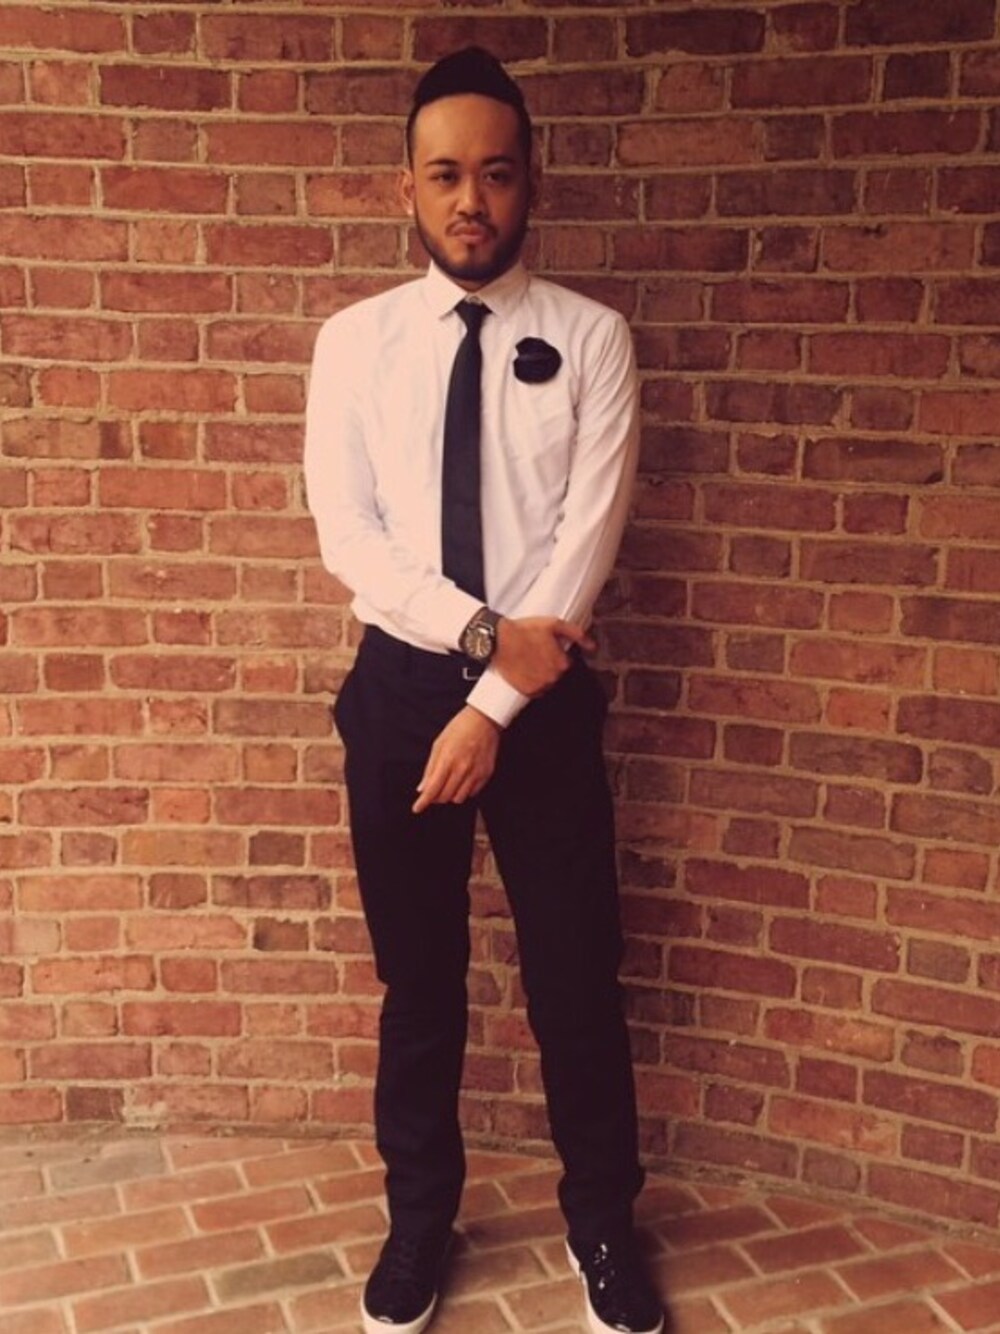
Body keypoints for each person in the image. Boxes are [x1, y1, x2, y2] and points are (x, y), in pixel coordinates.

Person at [304, 46, 663, 1334]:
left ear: (531, 184)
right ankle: (419, 1223)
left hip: (542, 702)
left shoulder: (593, 339)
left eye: (497, 175)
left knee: (576, 977)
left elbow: (584, 544)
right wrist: (472, 648)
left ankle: (602, 1225)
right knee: (421, 983)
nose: (472, 200)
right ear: (405, 185)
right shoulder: (354, 344)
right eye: (447, 174)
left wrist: (494, 704)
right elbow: (350, 537)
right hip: (403, 689)